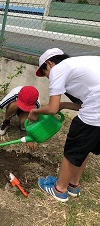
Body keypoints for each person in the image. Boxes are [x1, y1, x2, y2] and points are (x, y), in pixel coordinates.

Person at [28, 48, 100, 202]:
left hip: (95, 112)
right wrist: (63, 105)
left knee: (73, 149)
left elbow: (52, 108)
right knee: (85, 147)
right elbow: (81, 104)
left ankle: (59, 189)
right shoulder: (79, 64)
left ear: (49, 64)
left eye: (45, 73)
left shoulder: (58, 70)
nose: (48, 77)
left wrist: (35, 112)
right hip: (96, 110)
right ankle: (73, 185)